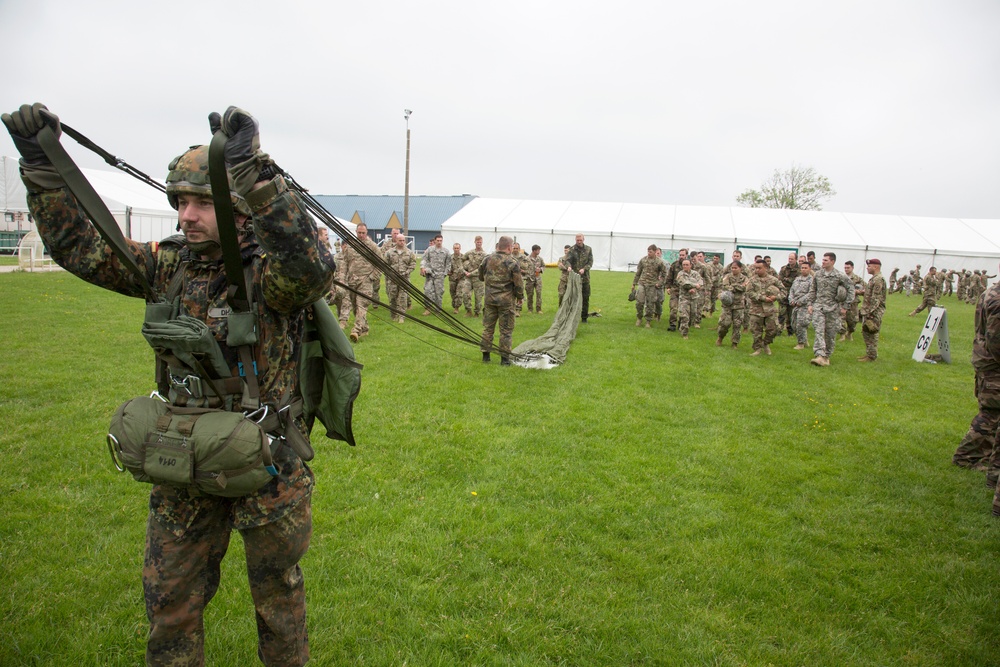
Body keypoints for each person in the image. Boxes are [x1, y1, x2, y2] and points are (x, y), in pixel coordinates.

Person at [4, 103, 333, 665]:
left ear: (235, 208)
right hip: (182, 461)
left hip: (268, 467)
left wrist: (252, 170)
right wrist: (41, 164)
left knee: (278, 603)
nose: (187, 214)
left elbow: (310, 267)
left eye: (203, 201)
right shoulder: (166, 265)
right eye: (180, 201)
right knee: (170, 604)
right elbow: (83, 249)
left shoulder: (268, 274)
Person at [479, 235, 523, 365]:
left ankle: (485, 356)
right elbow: (518, 284)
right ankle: (504, 359)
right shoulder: (512, 262)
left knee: (488, 328)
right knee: (506, 330)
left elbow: (481, 276)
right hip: (506, 301)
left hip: (490, 299)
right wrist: (520, 297)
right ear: (509, 247)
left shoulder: (487, 259)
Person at [807, 251, 854, 366]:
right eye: (822, 260)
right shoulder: (818, 274)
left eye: (825, 260)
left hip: (833, 308)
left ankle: (826, 356)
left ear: (832, 261)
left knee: (830, 333)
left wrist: (845, 306)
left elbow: (851, 289)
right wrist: (810, 304)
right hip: (819, 307)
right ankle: (819, 354)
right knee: (818, 330)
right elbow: (813, 290)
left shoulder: (839, 275)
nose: (823, 262)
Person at [338, 222, 382, 342]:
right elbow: (344, 263)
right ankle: (365, 328)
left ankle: (356, 331)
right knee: (355, 307)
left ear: (366, 233)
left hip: (366, 281)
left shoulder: (372, 247)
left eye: (363, 233)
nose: (361, 235)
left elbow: (381, 264)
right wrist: (342, 278)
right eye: (359, 233)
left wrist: (373, 277)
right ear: (356, 232)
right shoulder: (350, 246)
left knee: (361, 305)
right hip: (352, 281)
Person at [747, 259, 784, 356]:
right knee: (756, 331)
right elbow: (749, 293)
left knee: (774, 329)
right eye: (756, 268)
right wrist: (762, 298)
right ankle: (757, 348)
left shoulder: (773, 280)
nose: (757, 270)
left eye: (759, 268)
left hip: (770, 309)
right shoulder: (752, 280)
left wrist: (776, 297)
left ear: (766, 268)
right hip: (756, 309)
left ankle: (766, 343)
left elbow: (784, 291)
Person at [858, 258, 887, 362]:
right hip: (868, 311)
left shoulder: (879, 279)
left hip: (874, 312)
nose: (867, 268)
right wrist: (860, 292)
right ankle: (869, 354)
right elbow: (870, 293)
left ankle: (872, 356)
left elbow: (876, 299)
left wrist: (870, 313)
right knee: (866, 332)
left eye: (869, 266)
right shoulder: (874, 279)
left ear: (876, 267)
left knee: (872, 332)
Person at [632, 244, 667, 328]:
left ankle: (648, 320)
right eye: (648, 251)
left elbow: (664, 274)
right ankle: (639, 318)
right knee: (639, 302)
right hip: (642, 283)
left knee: (650, 304)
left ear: (655, 252)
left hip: (652, 285)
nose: (649, 253)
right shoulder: (643, 260)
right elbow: (638, 272)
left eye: (650, 252)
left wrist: (659, 282)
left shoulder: (659, 262)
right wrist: (634, 283)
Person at [385, 233, 417, 323]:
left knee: (403, 298)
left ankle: (402, 316)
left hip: (404, 279)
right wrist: (390, 274)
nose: (402, 242)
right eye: (400, 240)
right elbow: (385, 265)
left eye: (403, 240)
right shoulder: (389, 252)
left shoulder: (409, 252)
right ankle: (393, 315)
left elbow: (413, 264)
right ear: (396, 240)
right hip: (393, 280)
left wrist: (407, 272)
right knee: (393, 298)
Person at [716, 262, 749, 348]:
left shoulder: (745, 278)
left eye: (735, 268)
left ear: (740, 268)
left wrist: (734, 286)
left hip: (739, 305)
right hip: (728, 304)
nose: (733, 269)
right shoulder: (727, 277)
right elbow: (726, 287)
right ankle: (720, 337)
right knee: (725, 323)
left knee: (737, 325)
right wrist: (738, 286)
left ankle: (734, 343)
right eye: (732, 268)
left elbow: (745, 288)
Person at [567, 233, 594, 323]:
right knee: (574, 298)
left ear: (583, 239)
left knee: (585, 298)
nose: (579, 242)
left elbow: (590, 262)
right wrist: (569, 266)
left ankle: (584, 317)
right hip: (575, 278)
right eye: (577, 240)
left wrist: (584, 269)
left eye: (580, 240)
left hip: (585, 278)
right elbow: (567, 261)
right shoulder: (571, 249)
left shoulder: (588, 249)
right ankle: (573, 316)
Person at [420, 233, 450, 313]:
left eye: (441, 241)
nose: (439, 242)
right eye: (438, 240)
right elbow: (424, 259)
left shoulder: (446, 251)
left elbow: (448, 264)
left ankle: (438, 309)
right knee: (427, 291)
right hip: (430, 274)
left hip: (440, 276)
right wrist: (422, 267)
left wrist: (445, 273)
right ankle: (428, 308)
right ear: (435, 241)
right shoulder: (429, 250)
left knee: (438, 293)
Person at [787, 261, 814, 350]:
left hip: (805, 305)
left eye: (806, 268)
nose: (804, 270)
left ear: (810, 269)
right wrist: (791, 299)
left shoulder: (812, 280)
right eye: (802, 268)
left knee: (801, 324)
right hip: (795, 305)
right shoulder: (797, 279)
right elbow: (791, 291)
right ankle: (804, 340)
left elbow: (811, 293)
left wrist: (800, 301)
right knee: (794, 324)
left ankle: (801, 343)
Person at [674, 258, 703, 338]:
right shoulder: (680, 274)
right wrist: (694, 285)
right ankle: (684, 333)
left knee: (692, 315)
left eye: (687, 265)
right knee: (684, 316)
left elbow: (700, 282)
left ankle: (683, 326)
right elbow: (684, 283)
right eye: (684, 265)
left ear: (690, 265)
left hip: (694, 297)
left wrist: (694, 288)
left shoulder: (696, 273)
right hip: (684, 298)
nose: (685, 266)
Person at [839, 260, 864, 340]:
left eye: (848, 268)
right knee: (841, 319)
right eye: (845, 268)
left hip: (853, 302)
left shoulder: (857, 279)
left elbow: (865, 289)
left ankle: (849, 333)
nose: (846, 269)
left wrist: (857, 291)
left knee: (853, 321)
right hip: (842, 301)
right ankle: (842, 335)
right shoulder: (841, 277)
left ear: (852, 268)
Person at [463, 235, 487, 317]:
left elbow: (482, 267)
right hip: (468, 278)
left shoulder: (484, 255)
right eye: (477, 242)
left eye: (480, 242)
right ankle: (468, 310)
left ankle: (477, 312)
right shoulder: (470, 252)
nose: (479, 244)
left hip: (478, 278)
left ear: (482, 242)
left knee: (478, 297)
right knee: (465, 294)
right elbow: (462, 260)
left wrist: (472, 273)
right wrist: (465, 269)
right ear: (475, 242)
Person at [777, 252, 799, 336]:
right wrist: (788, 280)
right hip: (783, 294)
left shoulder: (799, 269)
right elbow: (780, 280)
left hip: (793, 294)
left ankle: (790, 332)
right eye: (789, 258)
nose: (790, 260)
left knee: (791, 315)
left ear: (796, 259)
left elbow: (797, 281)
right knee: (781, 314)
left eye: (792, 259)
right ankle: (779, 331)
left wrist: (787, 280)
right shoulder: (784, 269)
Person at [448, 242, 467, 314]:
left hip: (461, 278)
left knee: (459, 293)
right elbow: (447, 266)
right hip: (452, 278)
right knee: (453, 293)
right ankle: (454, 304)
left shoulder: (464, 257)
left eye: (457, 248)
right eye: (455, 248)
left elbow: (466, 266)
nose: (456, 249)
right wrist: (448, 271)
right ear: (453, 249)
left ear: (460, 248)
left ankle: (457, 307)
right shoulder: (450, 257)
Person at [526, 244, 545, 313]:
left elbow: (544, 266)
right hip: (529, 279)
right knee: (530, 294)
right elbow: (523, 268)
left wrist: (540, 269)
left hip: (538, 279)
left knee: (538, 293)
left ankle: (538, 309)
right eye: (538, 250)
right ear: (534, 250)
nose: (539, 252)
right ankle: (530, 309)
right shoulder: (527, 259)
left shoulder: (540, 259)